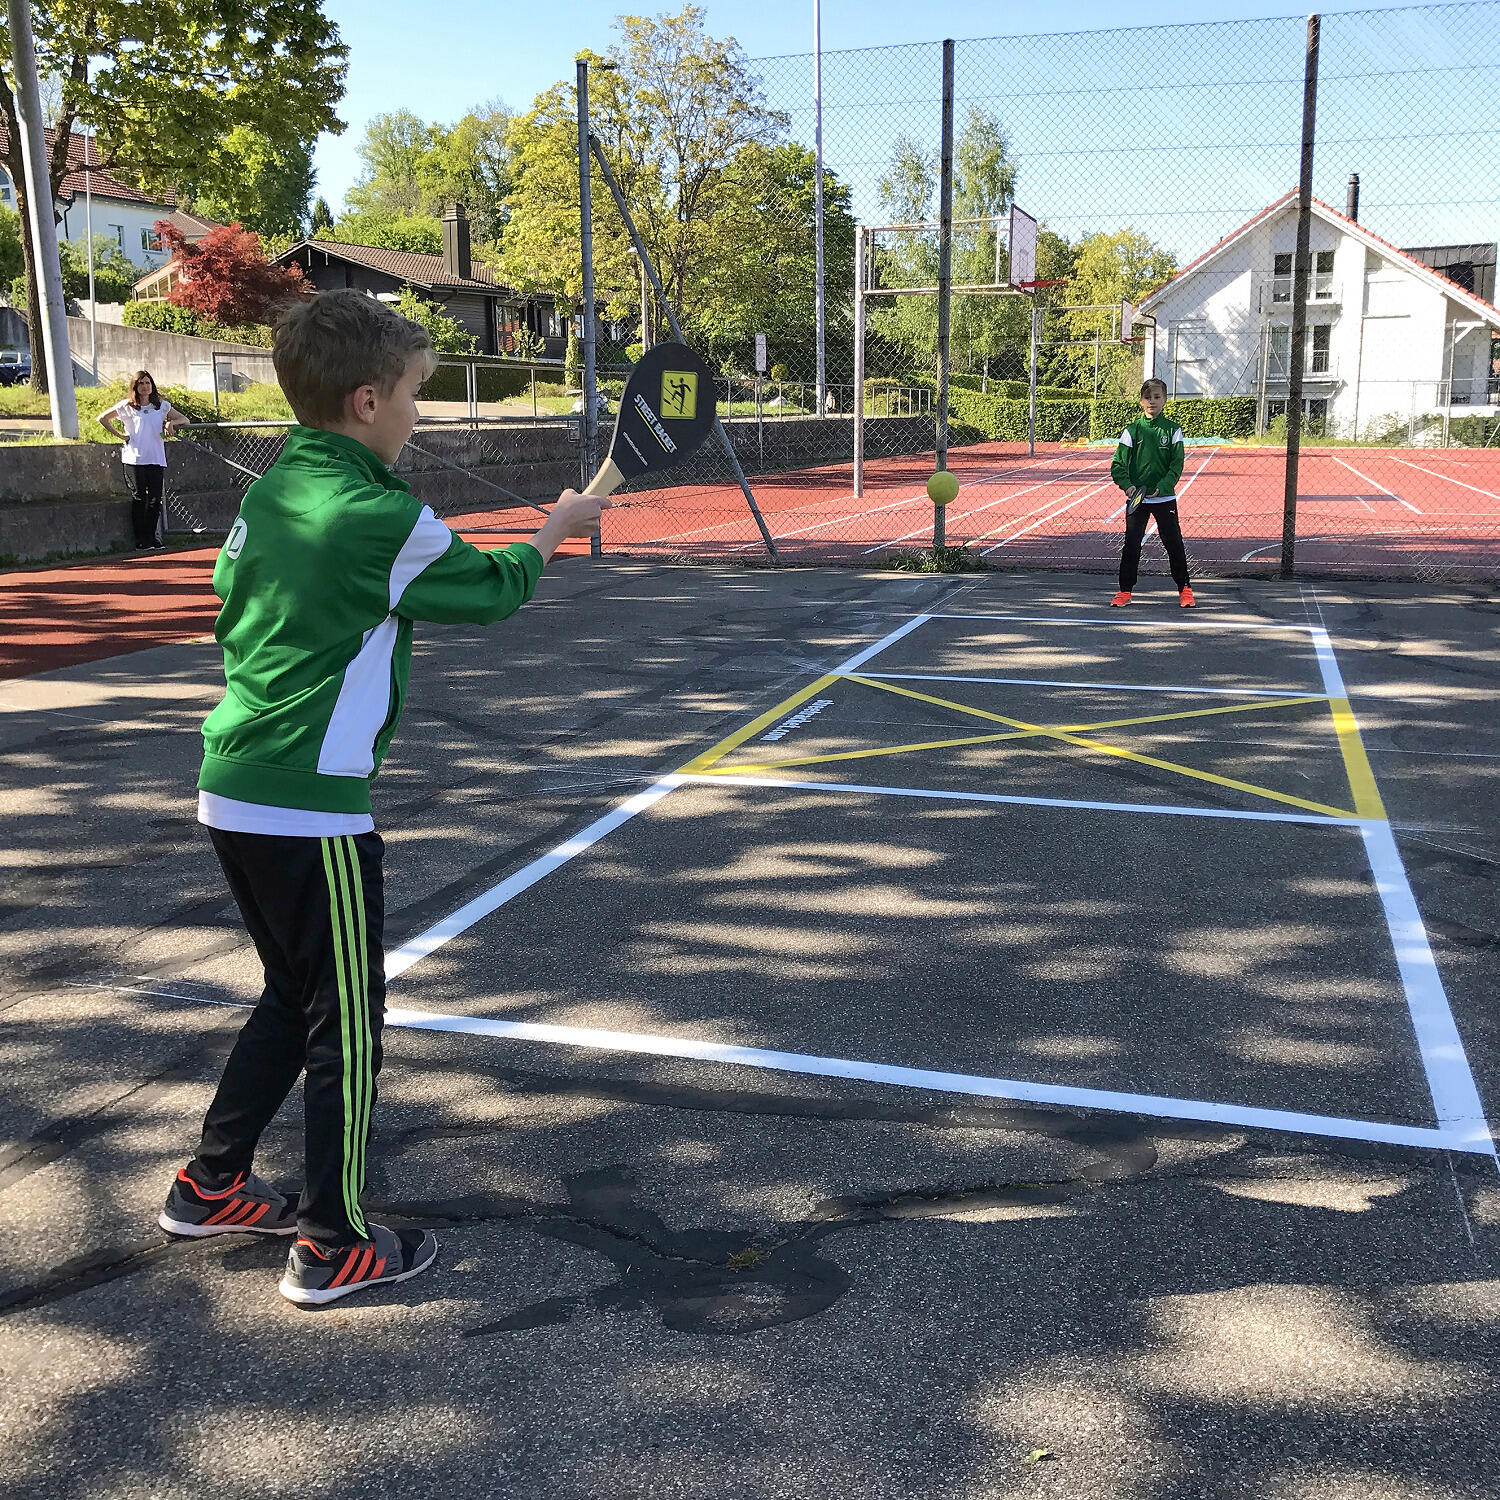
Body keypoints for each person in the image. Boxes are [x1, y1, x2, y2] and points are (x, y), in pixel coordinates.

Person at [155, 289, 608, 1305]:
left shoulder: (274, 492)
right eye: (412, 394)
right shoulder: (379, 513)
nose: (419, 413)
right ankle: (332, 1242)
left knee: (292, 995)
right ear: (365, 400)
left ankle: (210, 1184)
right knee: (347, 1024)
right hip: (310, 804)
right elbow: (490, 591)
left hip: (231, 787)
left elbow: (241, 606)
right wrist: (555, 531)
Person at [1109, 377, 1194, 608]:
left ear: (1165, 400)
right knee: (1132, 544)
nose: (1152, 401)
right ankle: (1125, 591)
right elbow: (1117, 465)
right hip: (1138, 499)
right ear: (1140, 401)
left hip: (1164, 497)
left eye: (1157, 397)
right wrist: (1129, 486)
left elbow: (1176, 465)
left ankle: (1185, 589)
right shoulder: (1131, 431)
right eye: (1148, 397)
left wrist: (1163, 487)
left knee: (1173, 542)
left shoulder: (1173, 431)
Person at [98, 370, 190, 549]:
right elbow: (103, 418)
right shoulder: (127, 406)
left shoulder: (161, 406)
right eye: (141, 384)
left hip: (155, 458)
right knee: (140, 497)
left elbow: (184, 419)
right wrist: (121, 436)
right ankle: (141, 539)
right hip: (135, 459)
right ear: (135, 386)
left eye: (148, 383)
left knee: (155, 499)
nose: (145, 387)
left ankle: (151, 537)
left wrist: (171, 423)